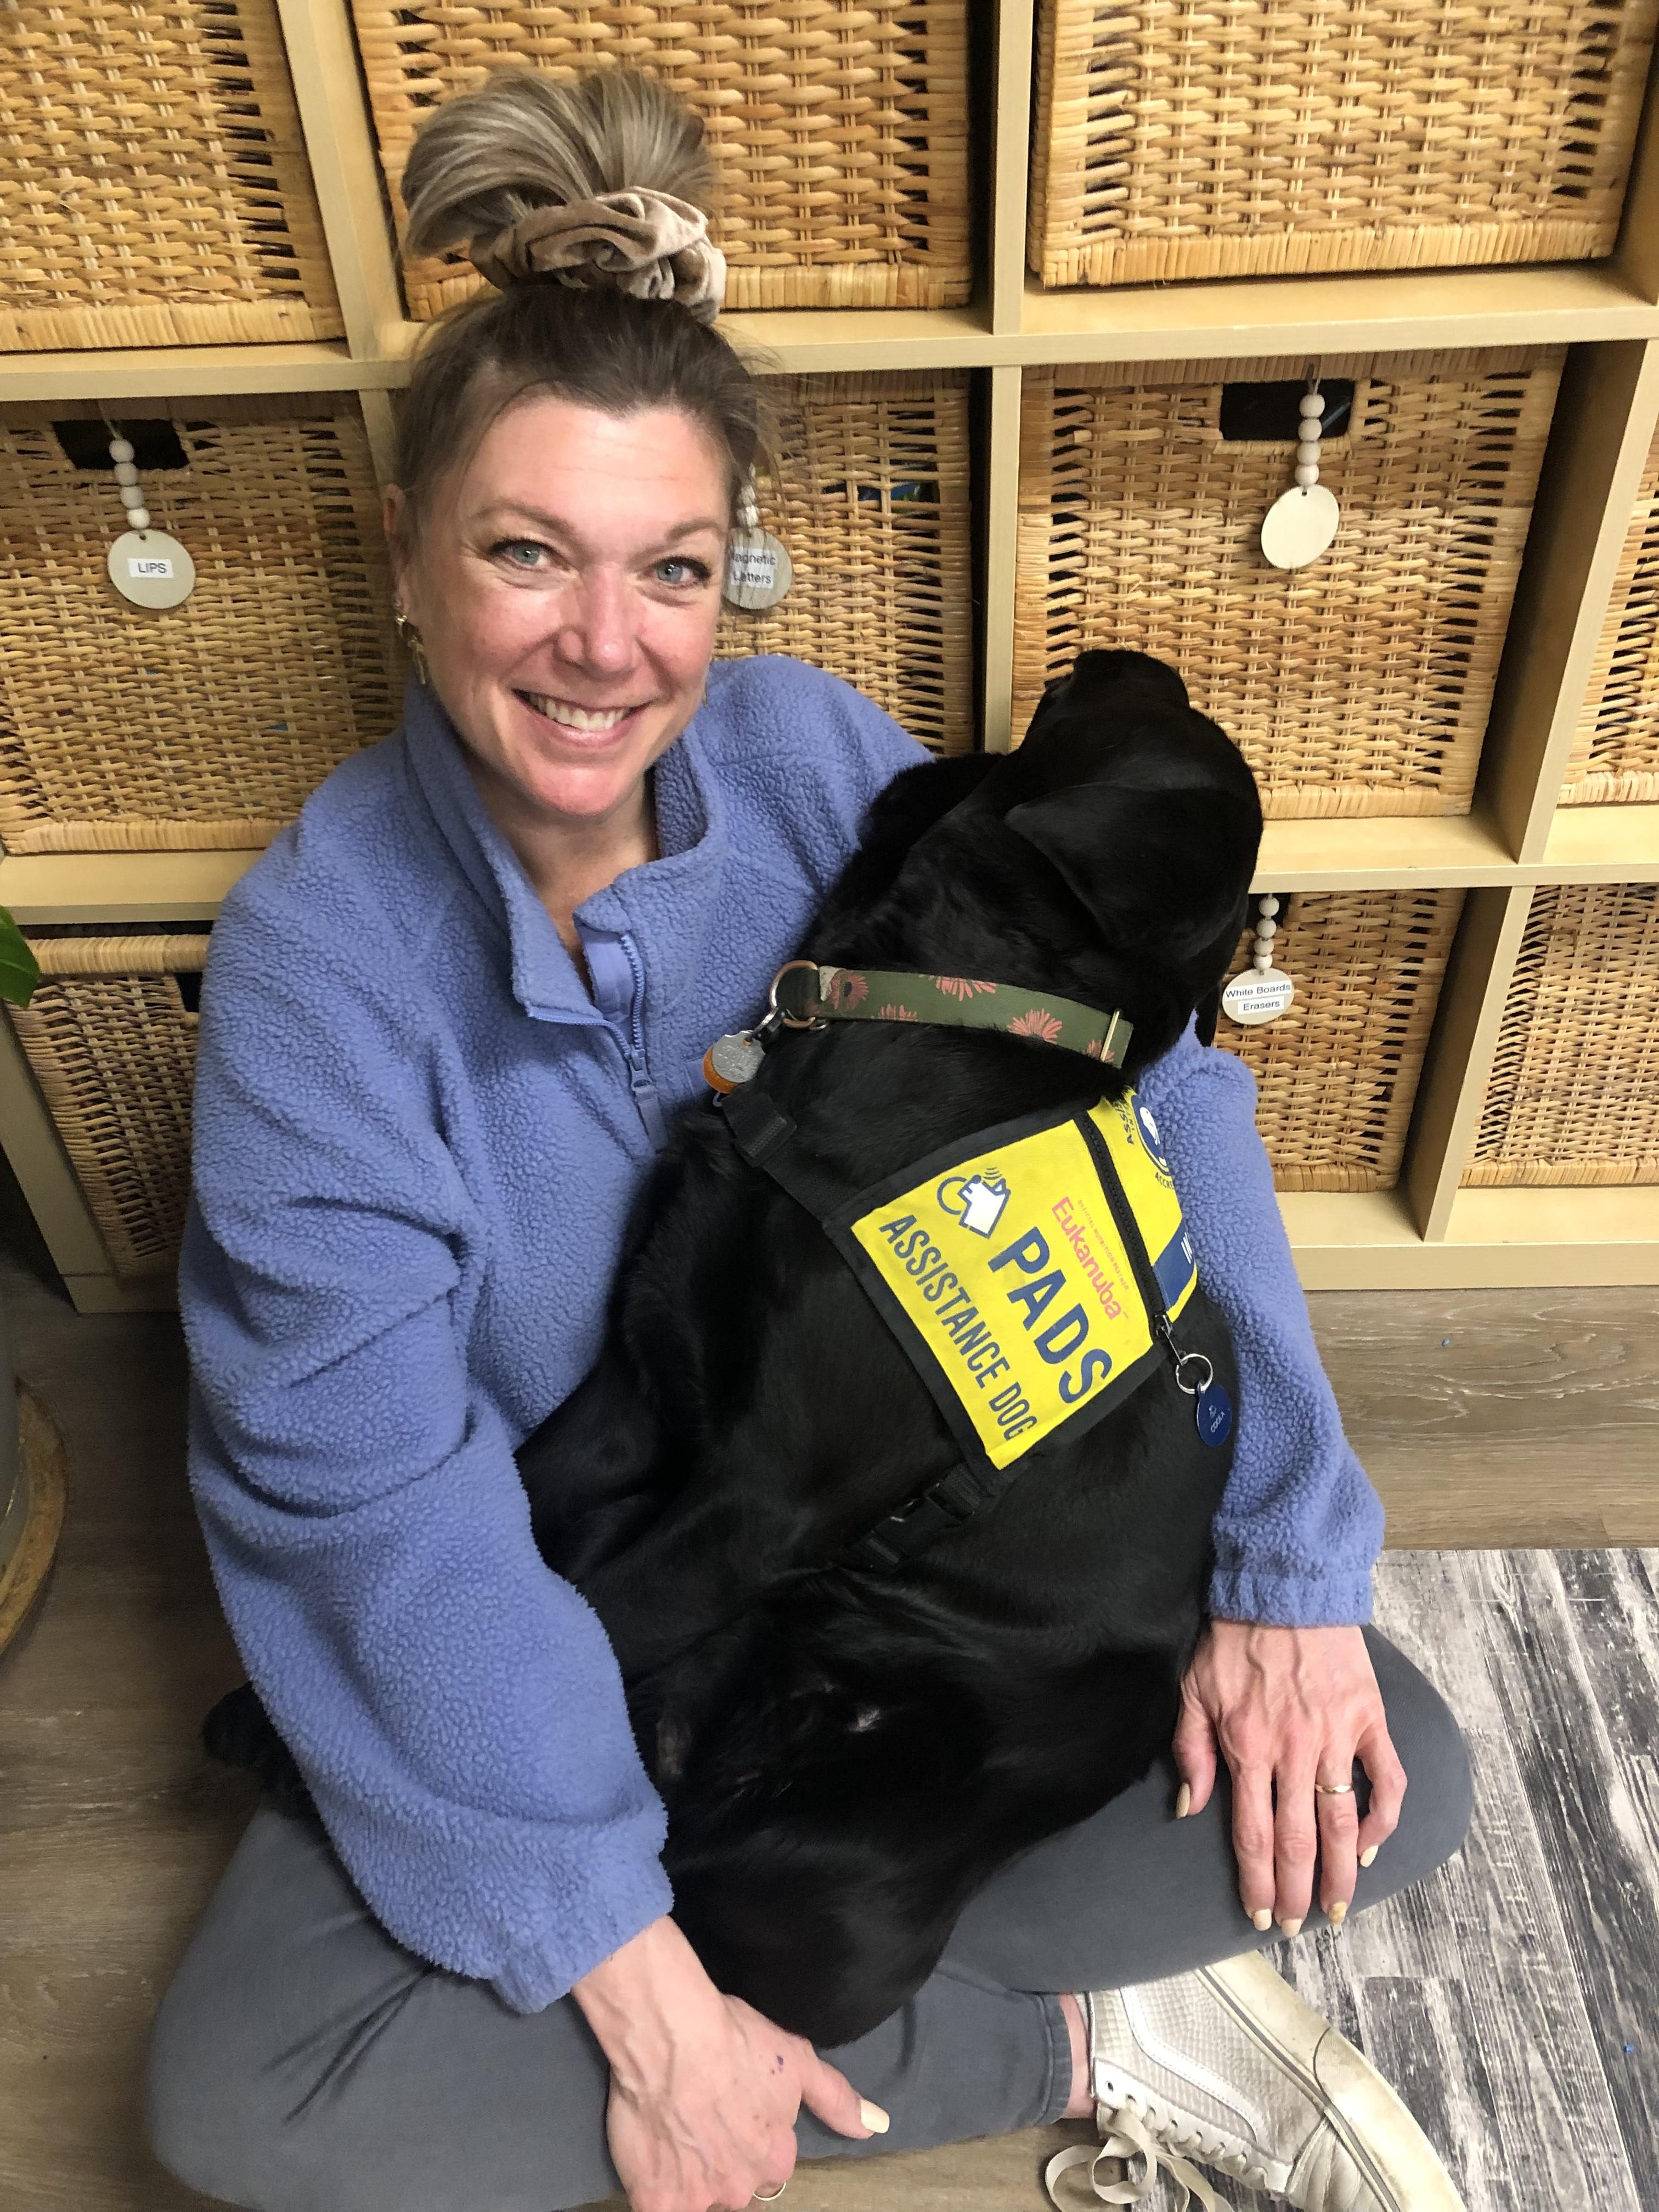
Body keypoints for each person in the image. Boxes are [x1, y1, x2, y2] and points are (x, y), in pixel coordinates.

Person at [144, 65, 1473, 2212]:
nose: (605, 647)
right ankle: (1069, 2037)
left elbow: (1149, 1087)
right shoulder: (318, 969)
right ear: (404, 556)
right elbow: (378, 1518)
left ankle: (849, 1979)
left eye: (668, 569)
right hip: (581, 1608)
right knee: (245, 2101)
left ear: (723, 573)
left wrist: (1288, 1562)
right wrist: (632, 1978)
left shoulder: (806, 754)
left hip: (910, 1573)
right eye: (525, 554)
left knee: (1398, 1769)